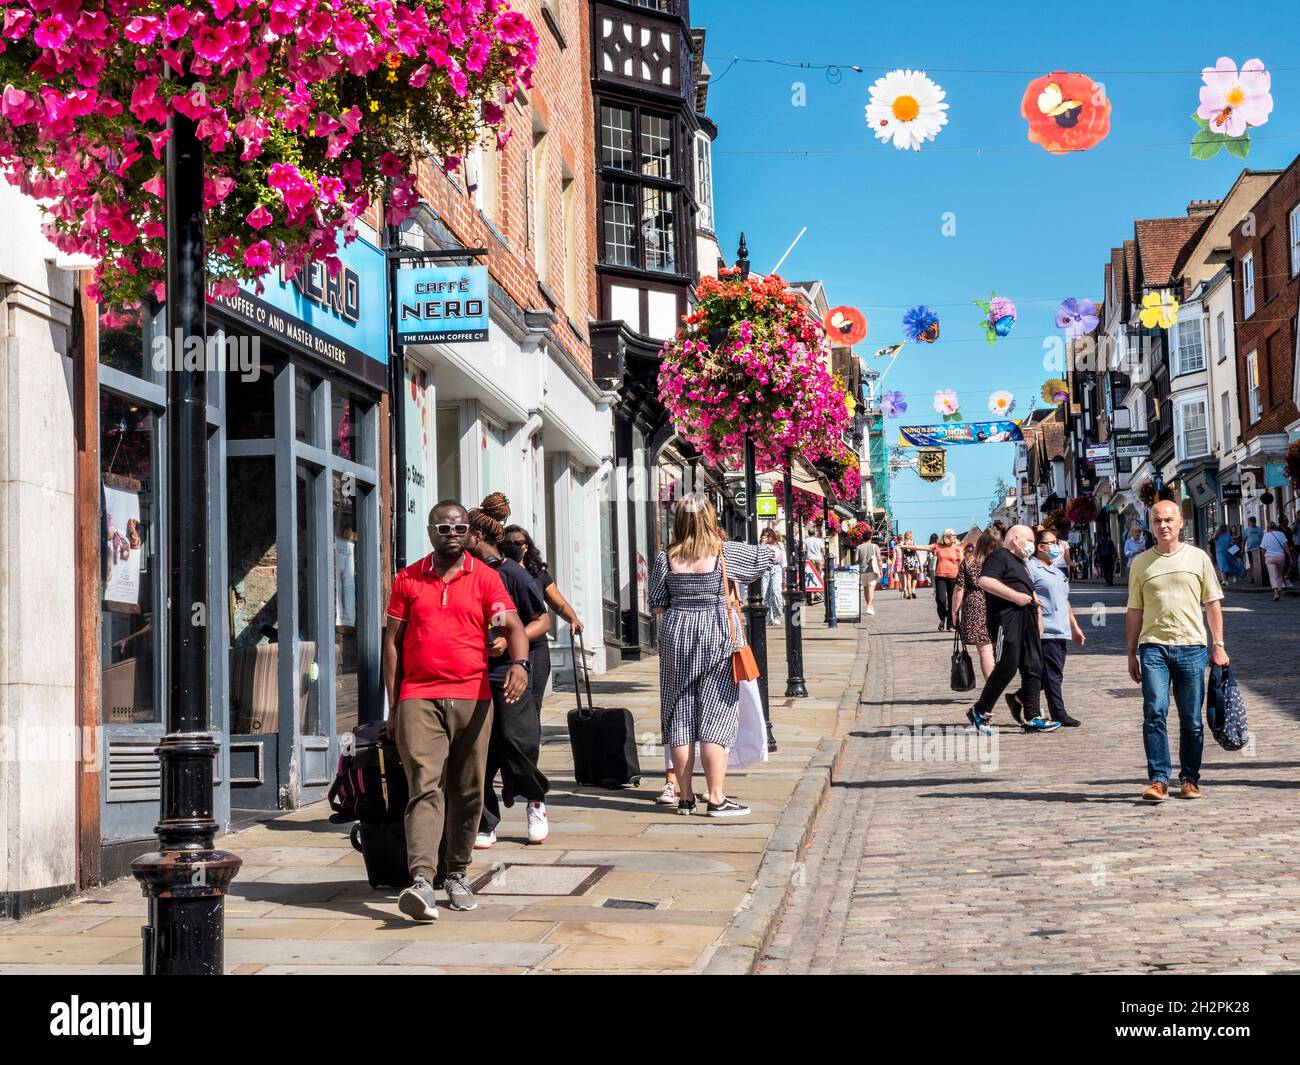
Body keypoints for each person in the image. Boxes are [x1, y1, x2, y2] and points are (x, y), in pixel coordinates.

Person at [383, 501, 530, 921]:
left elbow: (514, 627)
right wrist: (394, 705)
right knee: (425, 787)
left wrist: (519, 664)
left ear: (469, 533)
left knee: (468, 790)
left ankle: (457, 874)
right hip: (418, 695)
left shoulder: (485, 578)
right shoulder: (408, 579)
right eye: (443, 527)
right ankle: (422, 881)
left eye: (459, 527)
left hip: (473, 696)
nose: (451, 533)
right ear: (429, 531)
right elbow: (392, 643)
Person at [649, 494, 772, 818]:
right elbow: (766, 557)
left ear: (679, 521)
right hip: (718, 635)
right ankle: (716, 797)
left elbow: (659, 603)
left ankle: (685, 797)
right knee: (716, 717)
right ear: (709, 518)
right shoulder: (724, 552)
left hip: (677, 638)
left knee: (680, 715)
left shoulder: (666, 557)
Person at [464, 495, 552, 851]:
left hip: (511, 670)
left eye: (462, 532)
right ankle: (486, 820)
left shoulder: (511, 574)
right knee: (478, 747)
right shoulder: (463, 574)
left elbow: (541, 619)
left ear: (476, 536)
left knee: (516, 739)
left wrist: (507, 640)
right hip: (472, 671)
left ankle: (535, 800)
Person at [1127, 499, 1228, 802]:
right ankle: (1158, 780)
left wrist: (1219, 645)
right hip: (1153, 647)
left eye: (1169, 520)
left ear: (1181, 522)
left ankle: (1189, 779)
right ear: (1151, 526)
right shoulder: (1141, 563)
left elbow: (1212, 604)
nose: (1164, 525)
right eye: (1157, 521)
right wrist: (1131, 652)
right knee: (1155, 712)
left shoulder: (1198, 558)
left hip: (1191, 647)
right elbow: (1134, 610)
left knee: (1191, 719)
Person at [965, 524, 1061, 735]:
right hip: (1007, 619)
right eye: (1029, 541)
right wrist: (1015, 597)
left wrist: (1037, 613)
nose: (1032, 546)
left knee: (1033, 665)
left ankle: (1032, 716)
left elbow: (1028, 589)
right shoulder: (999, 555)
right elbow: (985, 581)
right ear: (1016, 539)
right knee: (1007, 666)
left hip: (1027, 618)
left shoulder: (1021, 562)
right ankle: (980, 711)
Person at [1026, 527, 1086, 727]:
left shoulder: (1055, 570)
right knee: (1053, 673)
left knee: (1051, 672)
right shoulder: (1031, 568)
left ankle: (1019, 697)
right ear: (1041, 547)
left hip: (1062, 628)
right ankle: (1058, 713)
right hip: (1046, 628)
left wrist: (1075, 627)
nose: (1057, 546)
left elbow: (1064, 600)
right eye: (1052, 543)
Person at [953, 525, 1001, 681]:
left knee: (985, 650)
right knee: (1000, 648)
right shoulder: (1003, 561)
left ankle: (991, 688)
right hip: (1000, 601)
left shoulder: (969, 561)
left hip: (976, 604)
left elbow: (959, 588)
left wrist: (954, 611)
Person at [930, 529, 963, 631]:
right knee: (940, 599)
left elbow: (962, 562)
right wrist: (904, 546)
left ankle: (951, 624)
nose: (955, 536)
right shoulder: (938, 546)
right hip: (940, 576)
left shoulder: (957, 548)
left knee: (951, 601)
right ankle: (942, 617)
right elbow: (922, 547)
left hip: (953, 576)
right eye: (953, 535)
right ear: (947, 536)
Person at [760, 527, 786, 626]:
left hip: (776, 569)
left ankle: (778, 612)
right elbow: (760, 556)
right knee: (765, 594)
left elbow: (783, 560)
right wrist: (762, 543)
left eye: (768, 536)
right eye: (765, 536)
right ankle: (769, 618)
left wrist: (785, 573)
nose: (767, 538)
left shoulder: (779, 545)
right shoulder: (761, 545)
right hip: (765, 570)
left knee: (775, 591)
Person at [1261, 521, 1292, 601]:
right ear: (1275, 527)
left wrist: (1262, 558)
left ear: (1268, 528)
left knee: (1272, 575)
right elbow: (1286, 547)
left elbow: (1263, 549)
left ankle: (1275, 592)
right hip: (1280, 557)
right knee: (1279, 574)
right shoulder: (1281, 534)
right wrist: (1290, 557)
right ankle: (1279, 589)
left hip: (1269, 557)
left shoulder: (1266, 536)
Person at [855, 527, 883, 616]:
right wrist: (881, 569)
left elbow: (856, 560)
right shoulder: (875, 546)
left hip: (862, 571)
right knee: (871, 590)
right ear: (870, 538)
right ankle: (869, 607)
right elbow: (879, 559)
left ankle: (870, 606)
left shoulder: (859, 547)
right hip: (872, 570)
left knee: (866, 590)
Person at [803, 525, 825, 603]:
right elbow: (823, 551)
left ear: (808, 533)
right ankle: (818, 593)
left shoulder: (806, 541)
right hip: (818, 559)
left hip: (810, 559)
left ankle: (809, 596)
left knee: (809, 578)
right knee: (818, 577)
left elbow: (803, 550)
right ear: (815, 533)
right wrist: (822, 558)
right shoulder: (819, 540)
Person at [898, 531, 922, 599]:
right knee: (914, 577)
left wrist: (902, 566)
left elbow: (902, 556)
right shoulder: (914, 543)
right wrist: (920, 564)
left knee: (908, 578)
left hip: (907, 562)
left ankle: (909, 593)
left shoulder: (903, 545)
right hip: (913, 561)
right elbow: (917, 554)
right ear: (911, 536)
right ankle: (913, 591)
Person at [1244, 516, 1264, 585]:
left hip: (1259, 549)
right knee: (1252, 563)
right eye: (1252, 521)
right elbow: (1244, 540)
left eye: (1254, 521)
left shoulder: (1260, 529)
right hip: (1250, 549)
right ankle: (1253, 577)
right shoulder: (1247, 530)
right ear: (1249, 522)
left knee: (1259, 563)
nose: (1253, 522)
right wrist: (1242, 549)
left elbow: (1263, 538)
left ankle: (1259, 576)